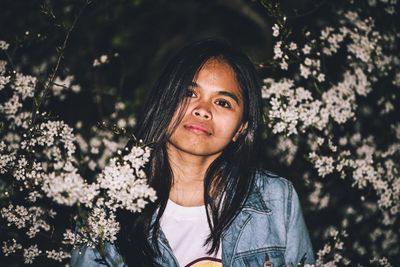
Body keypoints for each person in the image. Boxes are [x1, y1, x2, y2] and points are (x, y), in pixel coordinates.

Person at [70, 39, 315, 267]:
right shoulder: (106, 211)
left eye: (223, 102)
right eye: (189, 93)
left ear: (241, 128)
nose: (203, 110)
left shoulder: (276, 199)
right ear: (165, 100)